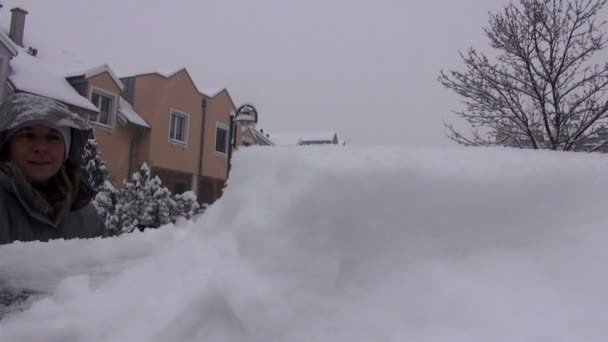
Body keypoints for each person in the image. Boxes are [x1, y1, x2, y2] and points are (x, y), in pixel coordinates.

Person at [0, 93, 106, 244]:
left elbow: (108, 265)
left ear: (66, 150)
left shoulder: (85, 216)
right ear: (7, 146)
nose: (41, 148)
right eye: (27, 136)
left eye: (53, 137)